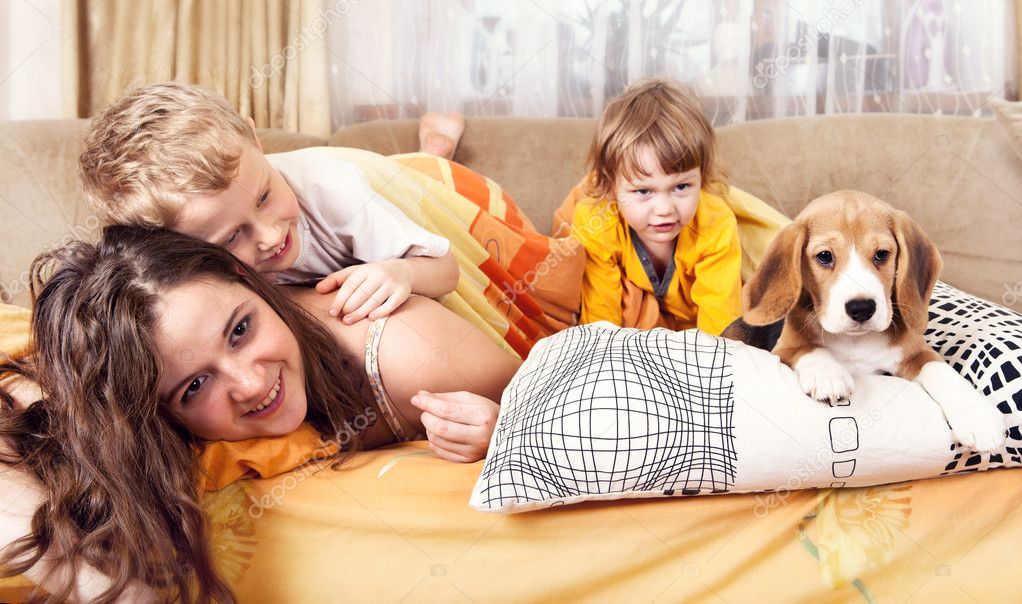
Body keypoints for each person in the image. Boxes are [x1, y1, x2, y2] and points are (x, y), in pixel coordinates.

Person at [0, 225, 519, 603]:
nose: (250, 384)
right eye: (195, 386)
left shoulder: (412, 354)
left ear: (244, 276)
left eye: (240, 330)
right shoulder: (122, 395)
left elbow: (561, 401)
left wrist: (498, 428)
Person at [79, 82, 464, 325]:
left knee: (424, 176)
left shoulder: (331, 191)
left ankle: (436, 149)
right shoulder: (178, 272)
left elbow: (445, 267)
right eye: (231, 237)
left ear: (255, 139)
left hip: (369, 180)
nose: (269, 235)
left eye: (264, 197)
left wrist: (401, 273)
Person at [562, 79, 743, 335]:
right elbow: (600, 325)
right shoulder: (598, 222)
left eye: (681, 187)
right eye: (643, 191)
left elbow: (721, 329)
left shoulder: (715, 223)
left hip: (699, 333)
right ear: (612, 187)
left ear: (702, 177)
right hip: (639, 329)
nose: (664, 209)